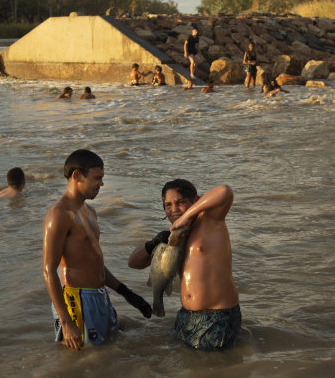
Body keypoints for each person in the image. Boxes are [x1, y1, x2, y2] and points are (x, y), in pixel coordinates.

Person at [42, 149, 152, 350]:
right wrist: (66, 321)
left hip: (100, 295)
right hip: (77, 299)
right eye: (97, 178)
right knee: (83, 360)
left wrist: (126, 293)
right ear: (77, 176)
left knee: (107, 354)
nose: (101, 184)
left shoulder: (89, 211)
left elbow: (93, 262)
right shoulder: (59, 214)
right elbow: (48, 270)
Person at [128, 179, 240, 351]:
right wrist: (153, 243)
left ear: (196, 200)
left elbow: (225, 191)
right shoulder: (174, 238)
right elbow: (133, 263)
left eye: (180, 202)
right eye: (168, 205)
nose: (174, 209)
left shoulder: (211, 220)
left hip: (217, 317)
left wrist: (185, 217)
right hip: (186, 316)